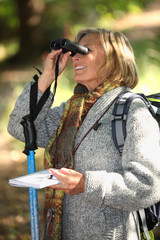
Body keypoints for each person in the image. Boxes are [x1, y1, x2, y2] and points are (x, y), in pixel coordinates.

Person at [8, 28, 160, 240]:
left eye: (84, 50)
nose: (74, 57)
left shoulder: (132, 111)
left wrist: (85, 184)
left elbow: (148, 186)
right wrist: (47, 77)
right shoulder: (72, 111)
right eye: (73, 52)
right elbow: (20, 127)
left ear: (113, 59)